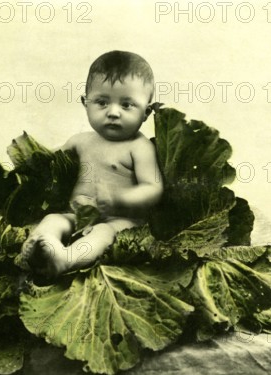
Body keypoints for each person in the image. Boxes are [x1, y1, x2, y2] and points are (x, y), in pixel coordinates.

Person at [17, 50, 163, 277]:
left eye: (127, 105)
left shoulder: (139, 147)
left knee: (103, 232)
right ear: (85, 103)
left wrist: (118, 199)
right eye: (102, 102)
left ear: (146, 112)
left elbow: (153, 189)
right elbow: (50, 163)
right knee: (53, 219)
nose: (113, 113)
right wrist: (30, 164)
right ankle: (41, 244)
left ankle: (66, 259)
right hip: (78, 215)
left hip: (123, 223)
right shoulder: (80, 141)